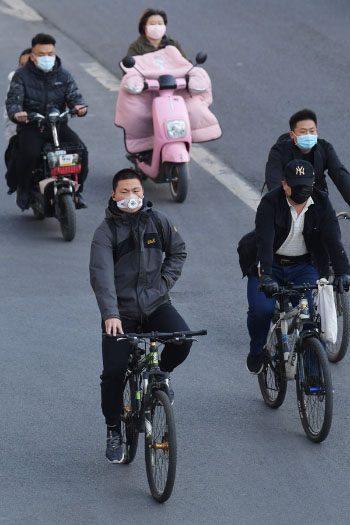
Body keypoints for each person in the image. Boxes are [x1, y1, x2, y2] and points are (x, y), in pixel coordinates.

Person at [89, 168, 192, 463]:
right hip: (120, 314)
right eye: (124, 192)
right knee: (113, 373)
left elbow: (178, 252)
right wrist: (110, 315)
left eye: (135, 191)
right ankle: (113, 429)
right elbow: (102, 277)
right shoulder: (105, 233)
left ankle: (162, 377)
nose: (131, 197)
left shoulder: (158, 221)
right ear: (113, 195)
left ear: (143, 193)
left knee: (182, 340)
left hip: (156, 304)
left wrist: (163, 284)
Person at [238, 159, 350, 374]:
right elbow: (265, 242)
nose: (301, 191)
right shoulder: (270, 203)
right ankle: (256, 351)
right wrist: (267, 276)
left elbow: (333, 239)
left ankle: (314, 375)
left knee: (310, 317)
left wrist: (343, 271)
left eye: (306, 187)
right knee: (262, 310)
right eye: (295, 186)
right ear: (284, 184)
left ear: (314, 183)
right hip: (269, 264)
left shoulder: (321, 202)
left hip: (303, 266)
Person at [5, 33, 88, 210]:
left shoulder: (64, 76)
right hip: (33, 126)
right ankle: (25, 189)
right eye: (42, 54)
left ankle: (77, 191)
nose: (47, 58)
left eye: (50, 54)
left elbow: (75, 96)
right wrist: (18, 113)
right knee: (29, 154)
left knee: (80, 151)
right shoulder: (21, 76)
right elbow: (13, 101)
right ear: (33, 57)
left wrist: (79, 107)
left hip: (58, 125)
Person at [265, 108, 350, 206]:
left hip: (317, 202)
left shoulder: (325, 148)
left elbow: (340, 175)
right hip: (288, 201)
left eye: (312, 131)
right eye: (303, 131)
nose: (308, 135)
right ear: (292, 135)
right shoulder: (279, 151)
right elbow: (274, 180)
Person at [4, 48, 31, 194]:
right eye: (22, 64)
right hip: (23, 129)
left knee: (77, 149)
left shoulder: (55, 78)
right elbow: (9, 114)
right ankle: (22, 189)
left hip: (50, 128)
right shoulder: (15, 84)